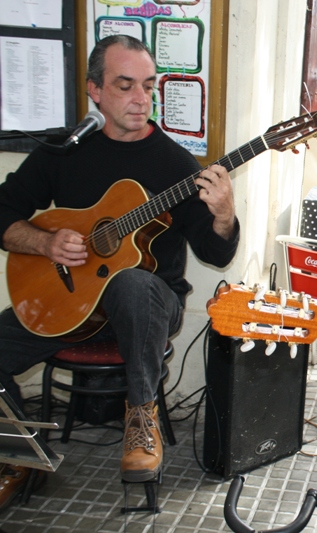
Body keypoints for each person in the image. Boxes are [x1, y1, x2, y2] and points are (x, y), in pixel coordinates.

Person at [0, 35, 239, 504]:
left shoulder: (174, 163)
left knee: (131, 281)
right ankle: (20, 457)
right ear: (94, 90)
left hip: (151, 306)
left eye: (148, 86)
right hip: (75, 304)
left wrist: (225, 215)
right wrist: (46, 242)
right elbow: (4, 212)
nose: (141, 99)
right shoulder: (63, 150)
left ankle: (141, 416)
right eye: (125, 85)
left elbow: (216, 253)